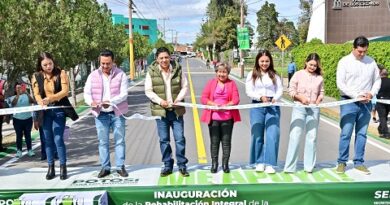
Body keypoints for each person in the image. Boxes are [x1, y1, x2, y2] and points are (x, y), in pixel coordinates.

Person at [336, 36, 381, 175]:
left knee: (362, 134)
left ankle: (359, 162)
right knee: (346, 133)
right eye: (360, 51)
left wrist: (371, 93)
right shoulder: (344, 62)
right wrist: (356, 96)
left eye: (365, 51)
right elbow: (340, 84)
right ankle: (342, 162)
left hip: (366, 103)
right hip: (349, 101)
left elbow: (377, 80)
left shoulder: (371, 62)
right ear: (353, 48)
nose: (362, 54)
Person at [32, 52, 79, 180]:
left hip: (58, 109)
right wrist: (40, 101)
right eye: (45, 64)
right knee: (47, 140)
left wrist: (50, 98)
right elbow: (36, 93)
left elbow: (65, 92)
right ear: (40, 65)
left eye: (50, 63)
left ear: (53, 62)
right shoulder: (36, 76)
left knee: (58, 138)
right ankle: (51, 167)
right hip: (45, 112)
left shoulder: (61, 73)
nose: (48, 66)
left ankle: (63, 167)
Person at [145, 47, 189, 177]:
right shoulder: (151, 72)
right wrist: (160, 101)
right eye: (161, 58)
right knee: (164, 140)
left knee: (180, 139)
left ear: (170, 57)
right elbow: (148, 90)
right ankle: (167, 165)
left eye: (166, 57)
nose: (164, 60)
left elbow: (184, 86)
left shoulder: (178, 69)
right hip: (161, 112)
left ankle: (182, 165)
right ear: (157, 59)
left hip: (176, 111)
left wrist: (178, 99)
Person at [84, 49, 129, 178]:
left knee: (119, 140)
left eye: (108, 63)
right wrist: (91, 102)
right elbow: (87, 93)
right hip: (100, 114)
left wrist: (111, 102)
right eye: (102, 63)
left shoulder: (121, 75)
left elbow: (124, 94)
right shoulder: (92, 75)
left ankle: (120, 167)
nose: (105, 66)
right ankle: (105, 167)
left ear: (113, 62)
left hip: (117, 113)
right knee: (103, 142)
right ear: (100, 61)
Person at [284, 53, 324, 173]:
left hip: (314, 109)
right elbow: (291, 90)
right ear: (306, 62)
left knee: (312, 137)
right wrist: (300, 98)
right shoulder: (298, 74)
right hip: (299, 108)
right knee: (295, 136)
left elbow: (321, 92)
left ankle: (309, 166)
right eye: (311, 64)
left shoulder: (319, 78)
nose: (312, 67)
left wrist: (319, 99)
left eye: (315, 66)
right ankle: (290, 167)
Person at [245, 50, 283, 174]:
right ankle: (259, 162)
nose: (264, 63)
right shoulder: (252, 74)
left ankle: (270, 163)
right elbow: (249, 91)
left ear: (270, 61)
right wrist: (260, 97)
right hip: (257, 105)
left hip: (273, 106)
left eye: (267, 61)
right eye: (262, 61)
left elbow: (280, 89)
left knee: (273, 134)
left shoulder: (275, 75)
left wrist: (275, 98)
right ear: (257, 61)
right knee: (257, 134)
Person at [200, 62, 241, 173]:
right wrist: (213, 104)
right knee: (214, 142)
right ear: (216, 72)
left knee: (226, 142)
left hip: (227, 119)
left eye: (224, 72)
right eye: (219, 72)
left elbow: (236, 99)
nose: (222, 74)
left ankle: (225, 164)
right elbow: (203, 98)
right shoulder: (211, 83)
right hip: (213, 119)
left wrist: (226, 106)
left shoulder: (232, 84)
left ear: (228, 73)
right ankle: (214, 164)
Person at [8, 83, 36, 158]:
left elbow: (32, 101)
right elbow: (13, 104)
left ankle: (30, 150)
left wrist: (26, 92)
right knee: (19, 136)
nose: (19, 89)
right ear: (15, 89)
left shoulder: (26, 95)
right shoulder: (12, 97)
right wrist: (17, 94)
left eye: (20, 87)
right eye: (17, 88)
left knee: (28, 135)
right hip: (17, 120)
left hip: (28, 119)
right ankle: (19, 151)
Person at [375, 65, 390, 139]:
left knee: (382, 117)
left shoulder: (378, 82)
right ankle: (381, 129)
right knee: (384, 117)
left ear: (381, 74)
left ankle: (386, 133)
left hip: (380, 101)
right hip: (388, 101)